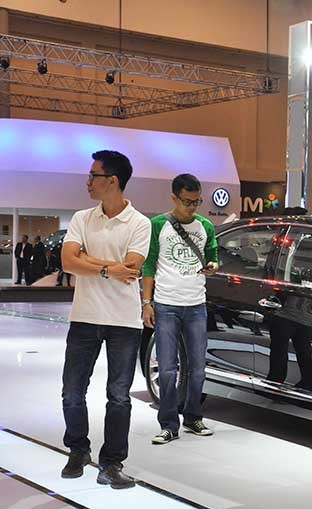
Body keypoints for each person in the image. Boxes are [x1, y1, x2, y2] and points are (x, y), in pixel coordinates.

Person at [59, 150, 151, 489]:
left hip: (123, 321)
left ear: (112, 180)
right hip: (84, 316)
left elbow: (132, 268)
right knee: (72, 391)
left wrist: (88, 259)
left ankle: (112, 463)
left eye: (93, 175)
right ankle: (78, 450)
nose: (87, 181)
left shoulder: (139, 223)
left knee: (119, 396)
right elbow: (68, 262)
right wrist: (108, 268)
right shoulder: (82, 218)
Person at [142, 174, 219, 445]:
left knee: (198, 368)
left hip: (196, 304)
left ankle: (193, 417)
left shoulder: (205, 225)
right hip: (166, 305)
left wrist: (213, 266)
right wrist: (147, 303)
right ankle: (168, 424)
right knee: (166, 369)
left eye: (197, 201)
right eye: (187, 201)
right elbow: (148, 265)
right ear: (174, 198)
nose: (192, 207)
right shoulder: (158, 225)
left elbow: (214, 257)